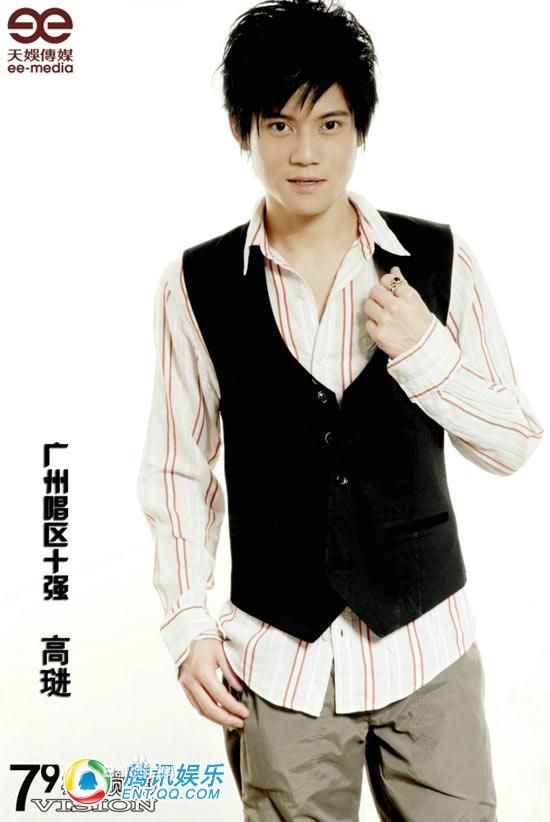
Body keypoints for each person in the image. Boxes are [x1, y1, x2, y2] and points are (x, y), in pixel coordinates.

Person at [136, 1, 544, 819]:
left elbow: (512, 443)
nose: (306, 153)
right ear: (241, 131)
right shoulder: (197, 283)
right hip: (280, 664)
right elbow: (178, 467)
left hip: (426, 650)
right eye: (279, 125)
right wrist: (188, 625)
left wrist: (425, 353)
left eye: (329, 124)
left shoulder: (438, 260)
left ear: (360, 129)